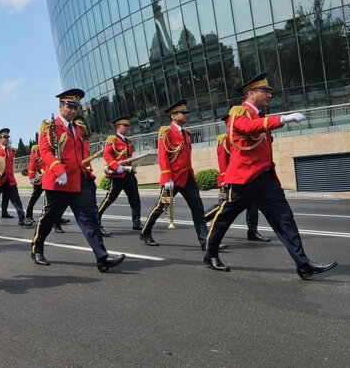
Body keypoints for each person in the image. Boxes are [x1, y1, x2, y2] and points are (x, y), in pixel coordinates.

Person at [204, 73, 337, 279]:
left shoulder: (259, 116)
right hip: (245, 179)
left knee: (285, 219)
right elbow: (248, 128)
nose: (269, 95)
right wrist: (284, 118)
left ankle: (303, 263)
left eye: (269, 92)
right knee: (224, 218)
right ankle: (210, 254)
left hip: (266, 179)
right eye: (265, 91)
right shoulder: (239, 113)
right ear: (250, 94)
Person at [30, 88, 125, 272]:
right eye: (69, 106)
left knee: (89, 219)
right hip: (58, 182)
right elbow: (45, 152)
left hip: (78, 180)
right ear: (60, 107)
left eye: (76, 107)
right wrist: (59, 171)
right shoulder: (49, 126)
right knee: (49, 218)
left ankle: (102, 258)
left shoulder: (78, 128)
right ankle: (37, 249)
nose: (73, 110)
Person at [139, 100, 218, 250]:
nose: (186, 115)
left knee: (198, 208)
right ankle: (145, 231)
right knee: (161, 206)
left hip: (187, 177)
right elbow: (163, 156)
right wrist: (167, 177)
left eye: (186, 112)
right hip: (173, 178)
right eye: (183, 113)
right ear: (174, 116)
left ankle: (205, 241)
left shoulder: (185, 133)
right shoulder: (166, 132)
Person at [203, 115, 270, 242]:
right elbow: (222, 162)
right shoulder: (224, 139)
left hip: (245, 177)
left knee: (253, 205)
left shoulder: (244, 138)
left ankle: (252, 231)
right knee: (224, 207)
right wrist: (224, 181)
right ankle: (201, 222)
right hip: (230, 179)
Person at [97, 116, 142, 236]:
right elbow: (107, 155)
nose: (127, 127)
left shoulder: (128, 141)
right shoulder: (113, 139)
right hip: (118, 176)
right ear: (118, 127)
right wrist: (116, 166)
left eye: (128, 125)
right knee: (109, 199)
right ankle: (95, 222)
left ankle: (136, 222)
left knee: (135, 199)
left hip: (128, 174)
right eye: (125, 125)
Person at [0, 129, 31, 227]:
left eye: (8, 137)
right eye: (5, 137)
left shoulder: (11, 151)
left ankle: (22, 219)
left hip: (10, 180)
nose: (7, 139)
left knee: (16, 200)